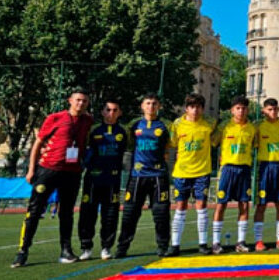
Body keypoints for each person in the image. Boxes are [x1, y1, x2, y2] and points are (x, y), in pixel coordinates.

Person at [12, 89, 94, 268]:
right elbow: (38, 144)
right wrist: (31, 169)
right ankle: (22, 251)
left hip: (72, 173)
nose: (81, 103)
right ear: (70, 100)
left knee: (66, 213)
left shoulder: (88, 121)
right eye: (78, 100)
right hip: (48, 170)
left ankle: (66, 251)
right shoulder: (55, 118)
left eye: (85, 101)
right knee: (34, 211)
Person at [116, 93, 172, 258]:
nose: (151, 106)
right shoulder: (133, 125)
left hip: (158, 175)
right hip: (137, 176)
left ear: (159, 106)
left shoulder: (166, 125)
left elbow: (171, 146)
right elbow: (126, 146)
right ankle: (122, 248)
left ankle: (162, 247)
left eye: (154, 103)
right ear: (142, 106)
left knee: (161, 214)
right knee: (129, 213)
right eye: (148, 103)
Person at [167, 93, 217, 256]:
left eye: (198, 107)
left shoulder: (209, 124)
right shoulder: (177, 124)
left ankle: (203, 243)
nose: (195, 110)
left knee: (201, 206)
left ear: (202, 109)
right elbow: (172, 144)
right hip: (182, 172)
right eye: (192, 107)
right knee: (180, 207)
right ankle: (175, 245)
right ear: (186, 108)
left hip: (202, 172)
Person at [78, 100, 128, 261]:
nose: (111, 113)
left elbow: (127, 154)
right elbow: (82, 149)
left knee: (110, 215)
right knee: (87, 214)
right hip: (92, 179)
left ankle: (106, 247)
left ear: (119, 113)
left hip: (113, 179)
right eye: (108, 110)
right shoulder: (93, 130)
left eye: (115, 110)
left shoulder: (123, 131)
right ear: (102, 112)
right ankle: (86, 247)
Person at [212, 96, 257, 253]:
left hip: (244, 169)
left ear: (248, 110)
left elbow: (255, 145)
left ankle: (241, 242)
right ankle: (216, 242)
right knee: (221, 204)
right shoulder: (224, 127)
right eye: (238, 108)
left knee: (244, 205)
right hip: (227, 169)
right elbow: (213, 143)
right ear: (232, 110)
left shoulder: (252, 129)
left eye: (244, 108)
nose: (241, 111)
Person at [253, 98, 279, 251]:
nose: (273, 112)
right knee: (261, 205)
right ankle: (258, 241)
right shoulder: (258, 126)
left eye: (275, 109)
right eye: (269, 109)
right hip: (265, 167)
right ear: (263, 110)